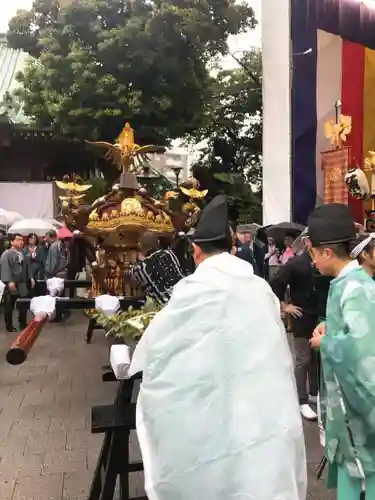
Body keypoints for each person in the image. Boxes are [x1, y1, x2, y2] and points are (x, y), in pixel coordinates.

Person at [129, 195, 306, 500]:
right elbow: (275, 350)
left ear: (197, 250)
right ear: (232, 247)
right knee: (254, 462)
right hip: (255, 399)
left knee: (212, 458)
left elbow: (158, 347)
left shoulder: (191, 290)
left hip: (206, 395)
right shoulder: (259, 288)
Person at [309, 203, 375, 499]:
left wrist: (326, 343)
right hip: (349, 413)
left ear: (326, 252)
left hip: (360, 419)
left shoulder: (356, 287)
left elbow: (364, 354)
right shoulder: (347, 283)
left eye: (312, 252)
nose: (311, 260)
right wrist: (329, 329)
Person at [272, 236, 331, 421]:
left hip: (322, 316)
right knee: (303, 359)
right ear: (307, 242)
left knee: (318, 358)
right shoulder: (296, 263)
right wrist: (284, 306)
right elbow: (276, 283)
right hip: (301, 316)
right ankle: (302, 400)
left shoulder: (325, 262)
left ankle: (315, 393)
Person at [130, 231, 185, 305]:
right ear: (158, 242)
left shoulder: (139, 268)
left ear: (139, 245)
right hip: (186, 297)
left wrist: (135, 261)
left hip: (166, 308)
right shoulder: (169, 254)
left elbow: (134, 284)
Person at [0, 233, 30, 332]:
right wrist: (9, 281)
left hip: (22, 282)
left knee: (23, 304)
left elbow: (26, 267)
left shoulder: (23, 253)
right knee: (9, 305)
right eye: (18, 239)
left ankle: (22, 322)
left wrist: (30, 277)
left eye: (22, 240)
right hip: (12, 282)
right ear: (12, 241)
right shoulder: (7, 254)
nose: (21, 241)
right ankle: (9, 326)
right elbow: (5, 268)